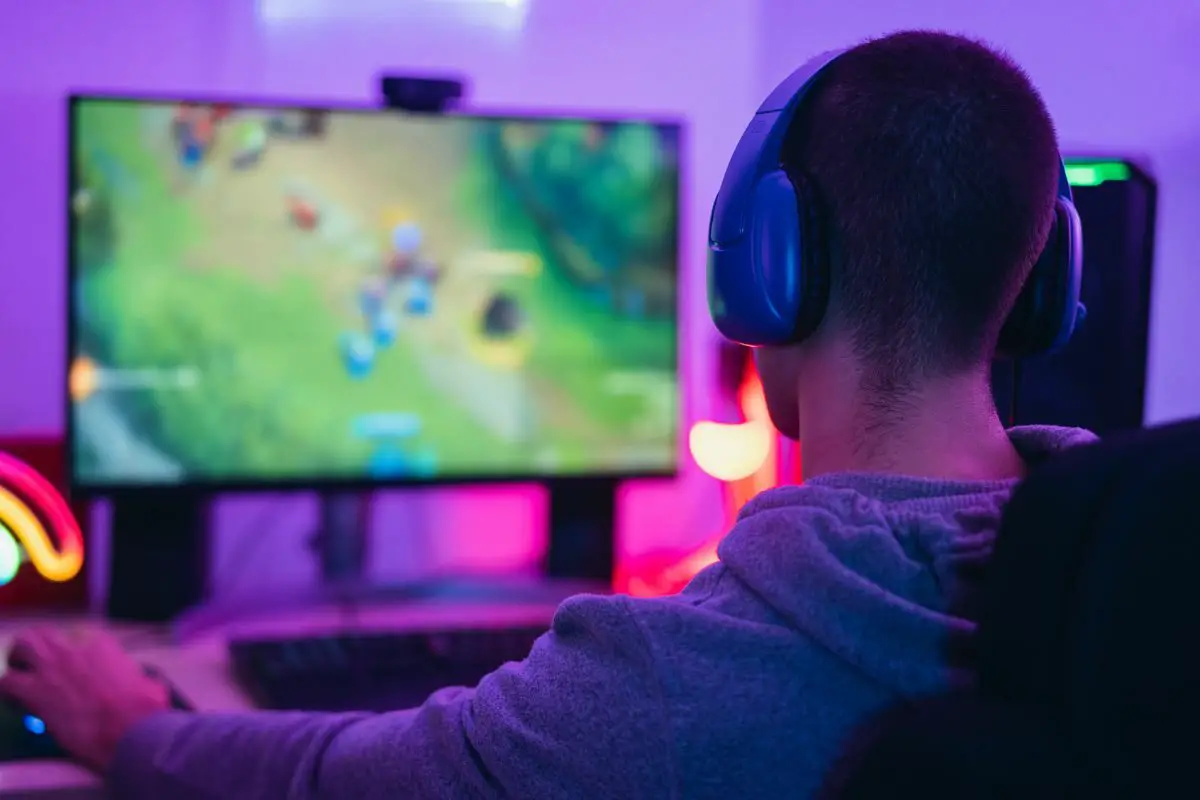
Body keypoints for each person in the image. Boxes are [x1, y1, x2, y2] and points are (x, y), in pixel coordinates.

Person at [0, 31, 1097, 799]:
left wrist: (133, 727)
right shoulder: (1141, 569)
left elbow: (340, 780)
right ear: (1042, 282)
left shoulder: (673, 685)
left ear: (767, 268)